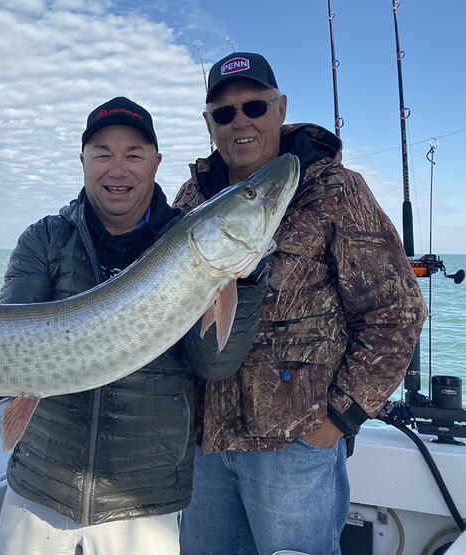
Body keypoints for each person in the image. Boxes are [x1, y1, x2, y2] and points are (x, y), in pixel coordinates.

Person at [0, 96, 268, 554]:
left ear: (155, 163)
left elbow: (213, 364)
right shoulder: (46, 238)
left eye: (133, 155)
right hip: (39, 486)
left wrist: (246, 279)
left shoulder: (188, 244)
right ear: (83, 160)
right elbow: (13, 329)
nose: (117, 170)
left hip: (145, 502)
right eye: (103, 153)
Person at [173, 52, 428, 555]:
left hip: (294, 448)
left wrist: (339, 419)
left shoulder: (336, 190)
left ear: (280, 108)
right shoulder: (190, 198)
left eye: (253, 107)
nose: (239, 122)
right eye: (223, 113)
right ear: (209, 124)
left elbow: (397, 313)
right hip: (205, 448)